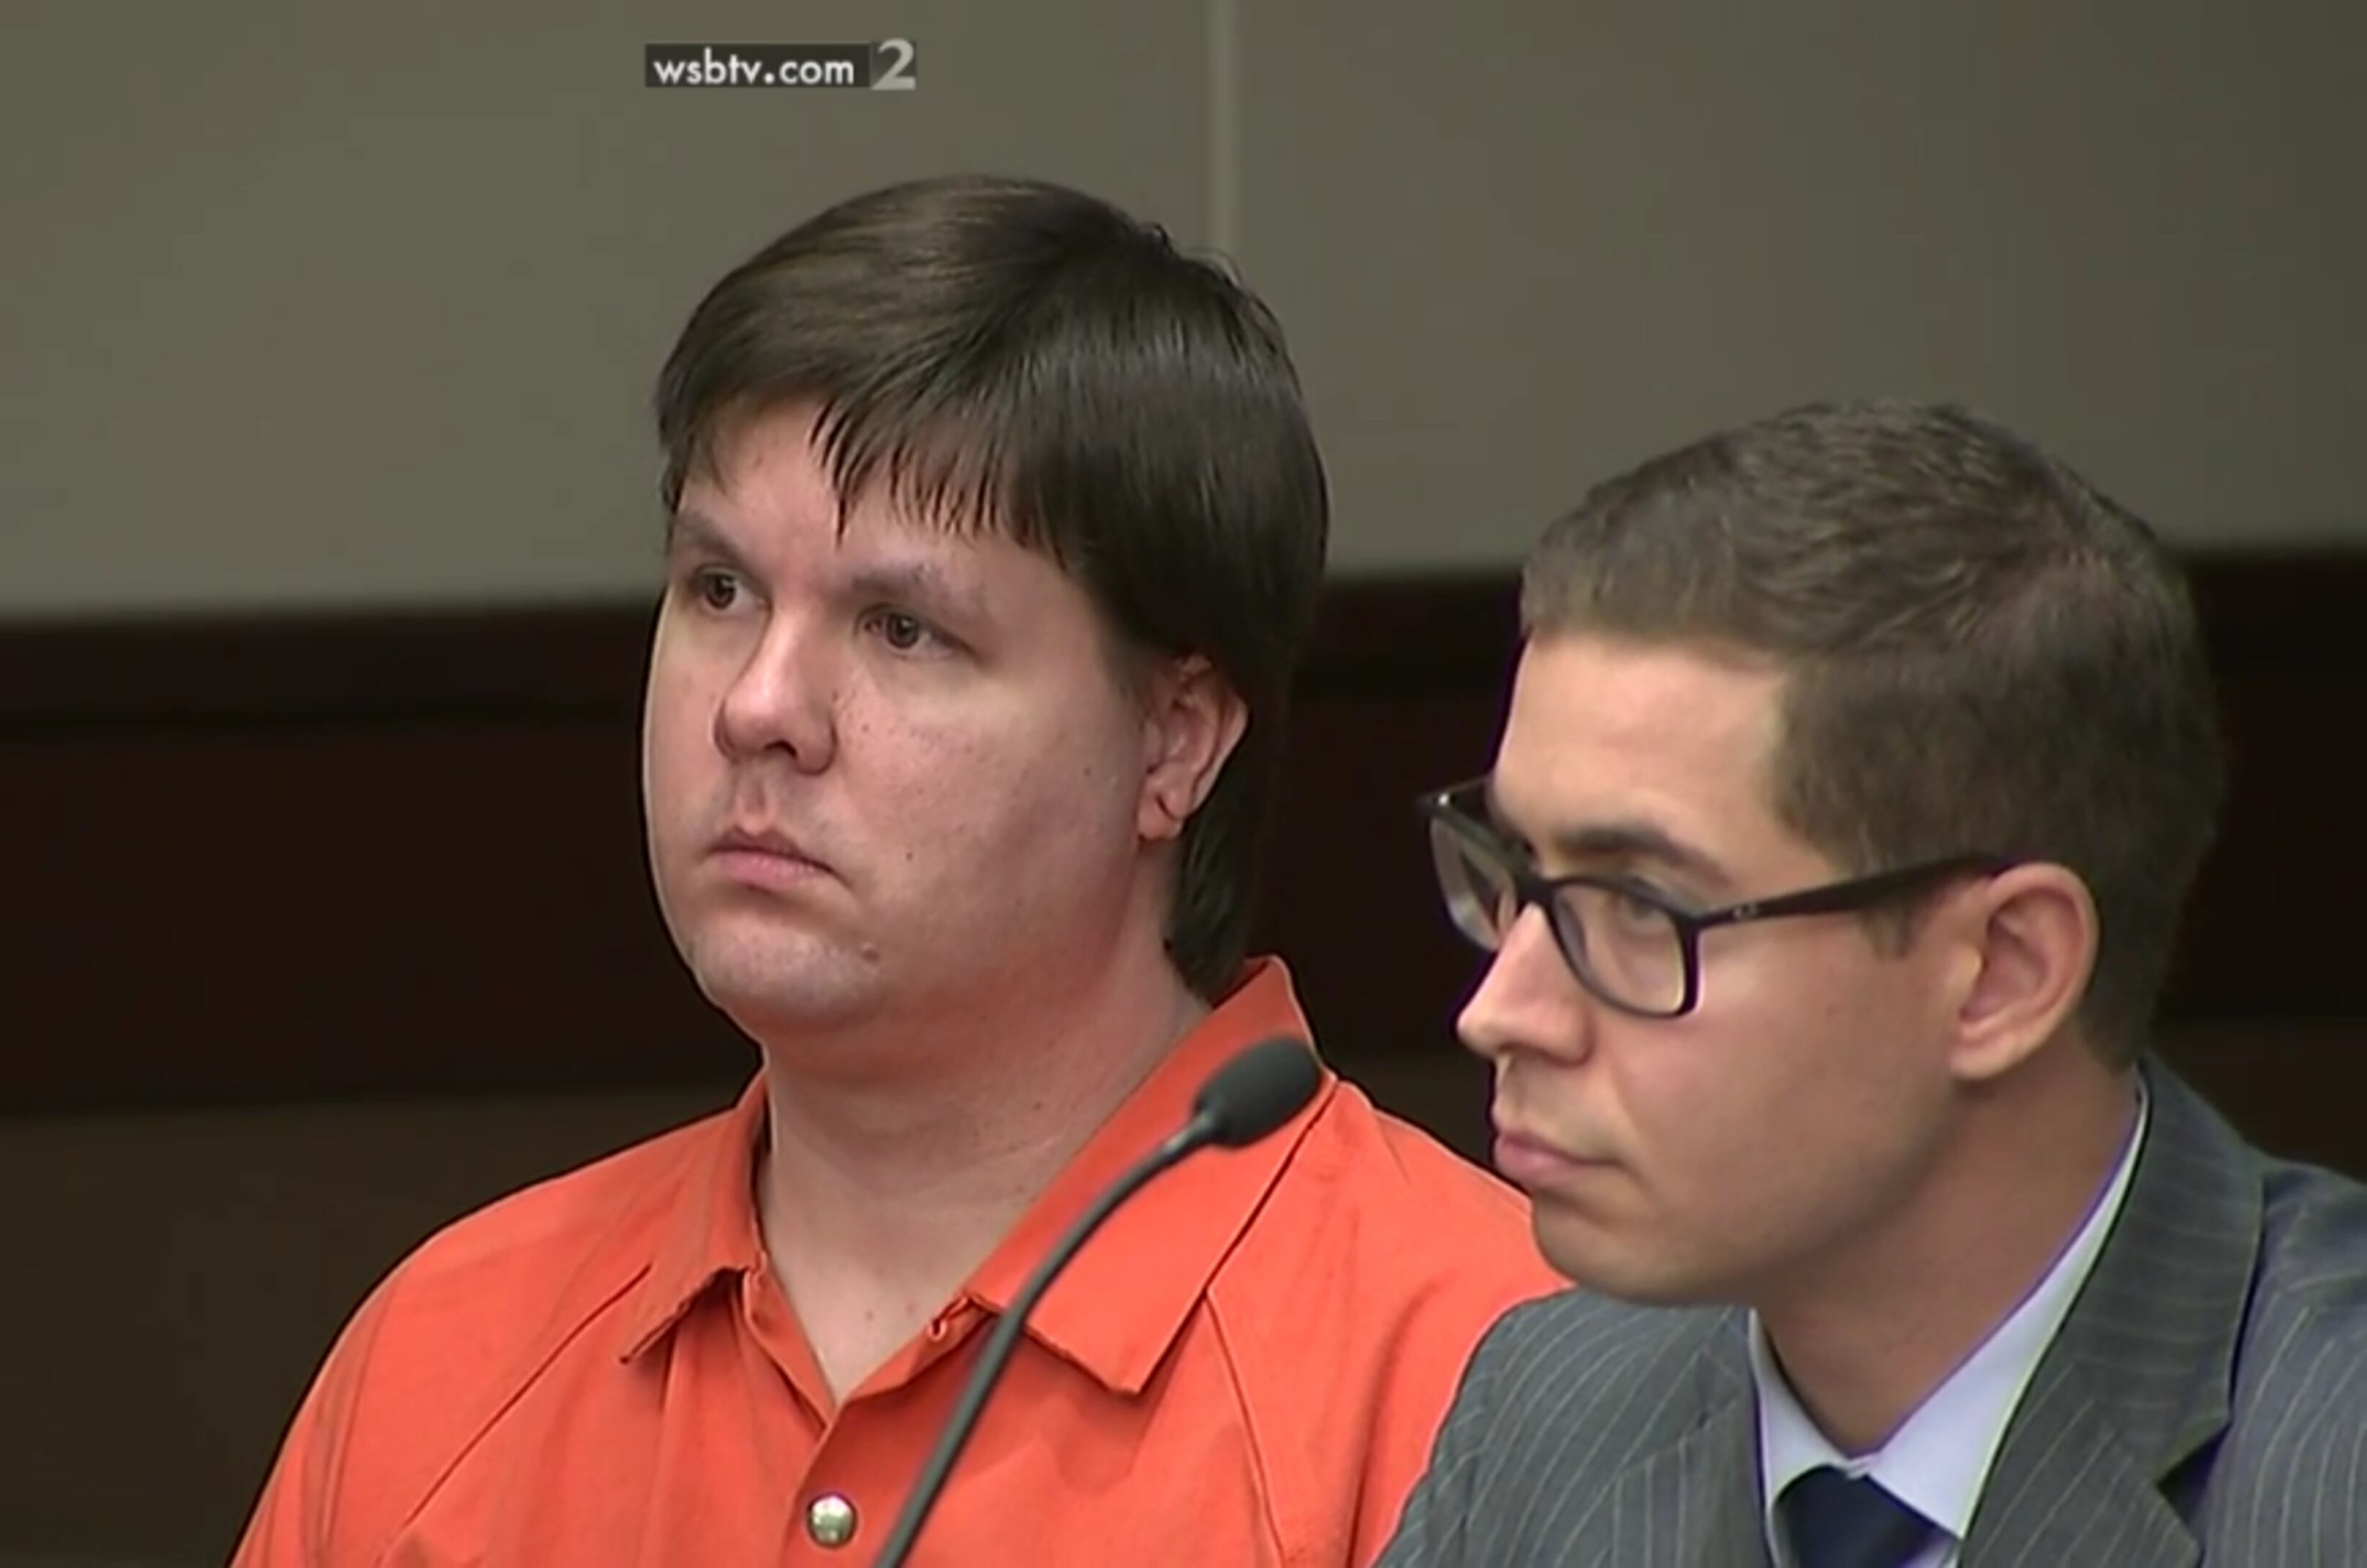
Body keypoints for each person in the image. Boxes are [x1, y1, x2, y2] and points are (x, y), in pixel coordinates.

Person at [230, 173, 1563, 1567]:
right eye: (719, 590)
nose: (758, 706)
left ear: (1173, 744)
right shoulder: (445, 1353)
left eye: (903, 629)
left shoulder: (1496, 1368)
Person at [1369, 399, 2367, 1567]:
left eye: (1640, 908)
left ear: (2002, 973)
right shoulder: (1549, 1414)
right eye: (1516, 870)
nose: (1497, 1012)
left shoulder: (2331, 1463)